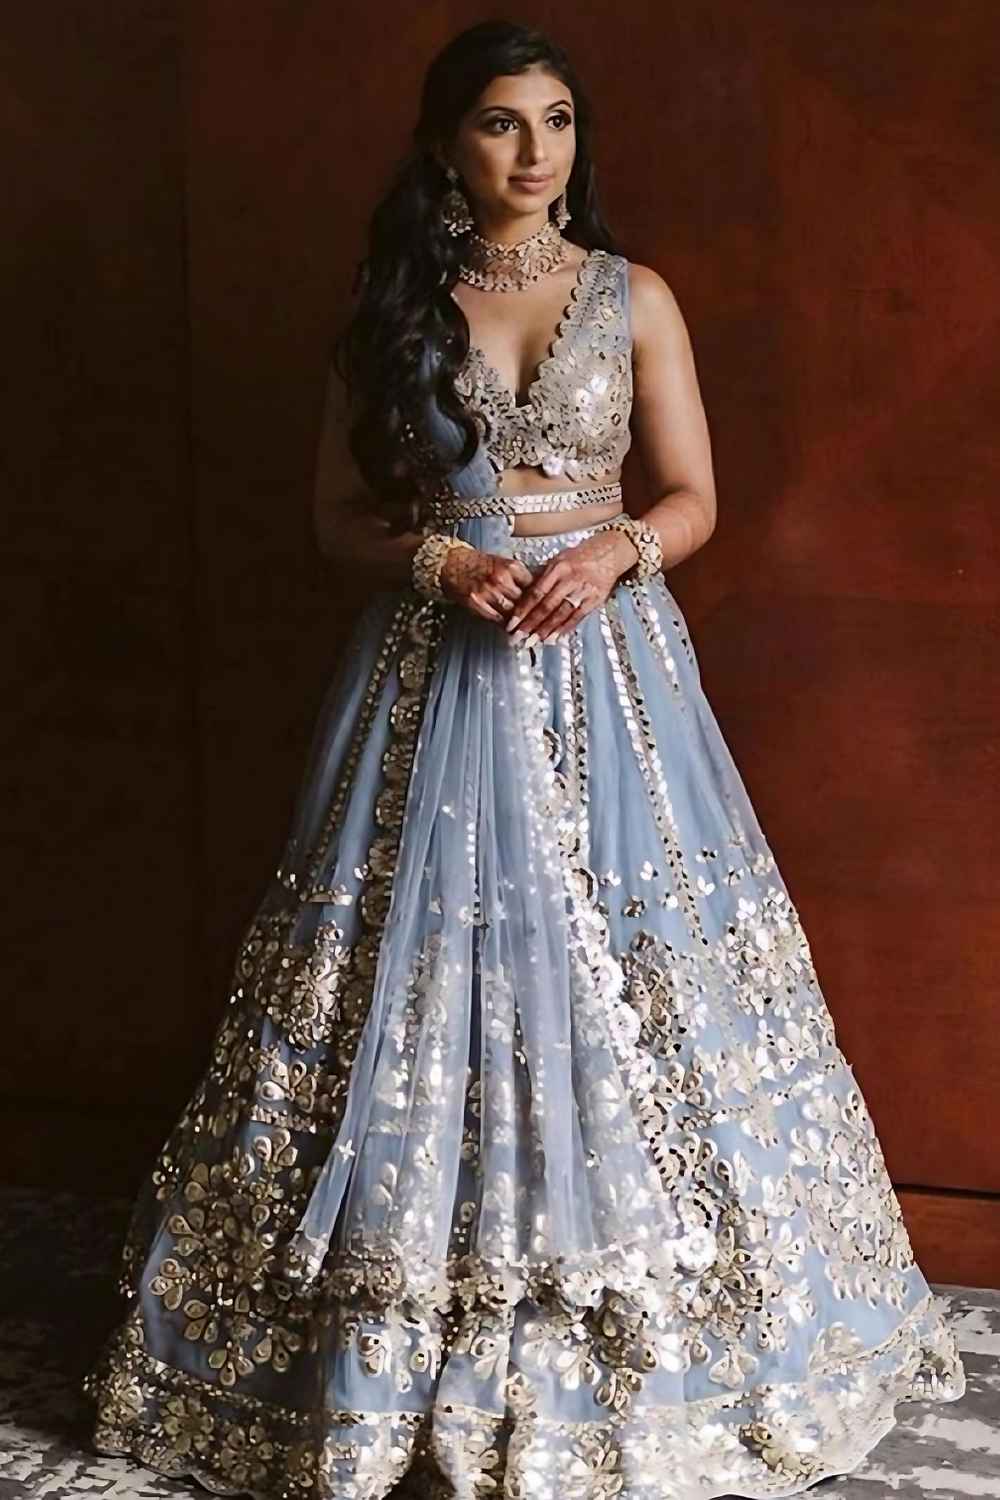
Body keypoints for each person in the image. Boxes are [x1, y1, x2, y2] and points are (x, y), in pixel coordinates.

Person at [82, 18, 966, 1500]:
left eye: (557, 120)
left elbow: (694, 496)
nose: (536, 149)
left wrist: (616, 553)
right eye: (502, 121)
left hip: (608, 676)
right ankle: (386, 1345)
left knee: (623, 959)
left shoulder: (635, 296)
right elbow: (334, 517)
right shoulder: (394, 305)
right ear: (447, 143)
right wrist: (438, 559)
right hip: (436, 673)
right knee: (416, 971)